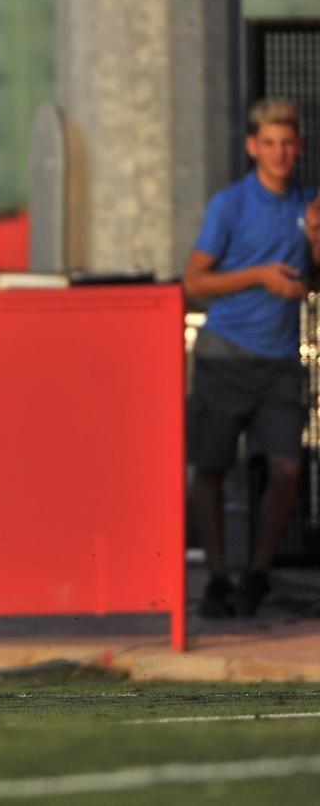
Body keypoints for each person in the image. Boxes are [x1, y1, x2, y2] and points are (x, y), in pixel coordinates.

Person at [183, 97, 320, 619]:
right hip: (226, 355)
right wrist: (260, 275)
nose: (280, 152)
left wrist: (314, 243)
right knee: (213, 467)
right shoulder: (232, 204)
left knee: (286, 468)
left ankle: (257, 573)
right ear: (252, 147)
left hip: (281, 358)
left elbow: (310, 282)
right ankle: (217, 577)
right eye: (270, 144)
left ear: (299, 146)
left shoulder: (307, 204)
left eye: (288, 143)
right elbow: (194, 281)